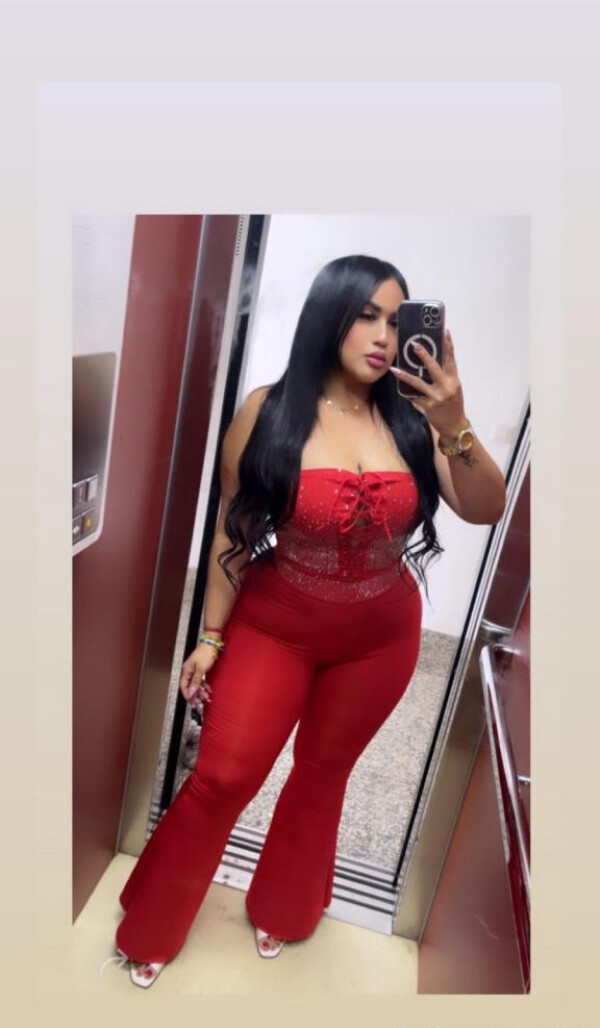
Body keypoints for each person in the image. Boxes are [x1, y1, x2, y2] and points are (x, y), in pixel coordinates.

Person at [110, 254, 506, 987]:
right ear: (330, 315)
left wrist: (454, 423)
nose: (384, 336)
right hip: (275, 627)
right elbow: (231, 532)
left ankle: (285, 909)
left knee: (323, 775)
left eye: (397, 320)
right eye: (367, 316)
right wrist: (211, 636)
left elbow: (487, 507)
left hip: (380, 640)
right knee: (224, 774)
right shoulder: (268, 411)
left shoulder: (415, 420)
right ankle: (154, 921)